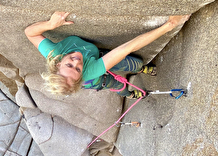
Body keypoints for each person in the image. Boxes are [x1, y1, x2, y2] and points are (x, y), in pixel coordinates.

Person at [25, 11, 190, 97]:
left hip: (97, 57)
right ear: (81, 75)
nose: (76, 61)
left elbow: (29, 33)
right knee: (118, 85)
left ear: (58, 64)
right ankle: (132, 94)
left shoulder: (54, 54)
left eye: (69, 65)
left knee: (136, 64)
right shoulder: (91, 71)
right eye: (77, 70)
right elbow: (127, 47)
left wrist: (51, 24)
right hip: (97, 77)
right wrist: (169, 25)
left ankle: (140, 69)